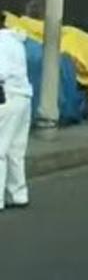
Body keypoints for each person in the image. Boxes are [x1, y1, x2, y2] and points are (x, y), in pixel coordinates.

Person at [0, 24, 32, 212]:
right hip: (23, 97)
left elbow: (1, 71)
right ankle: (18, 194)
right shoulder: (15, 40)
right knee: (15, 150)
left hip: (7, 96)